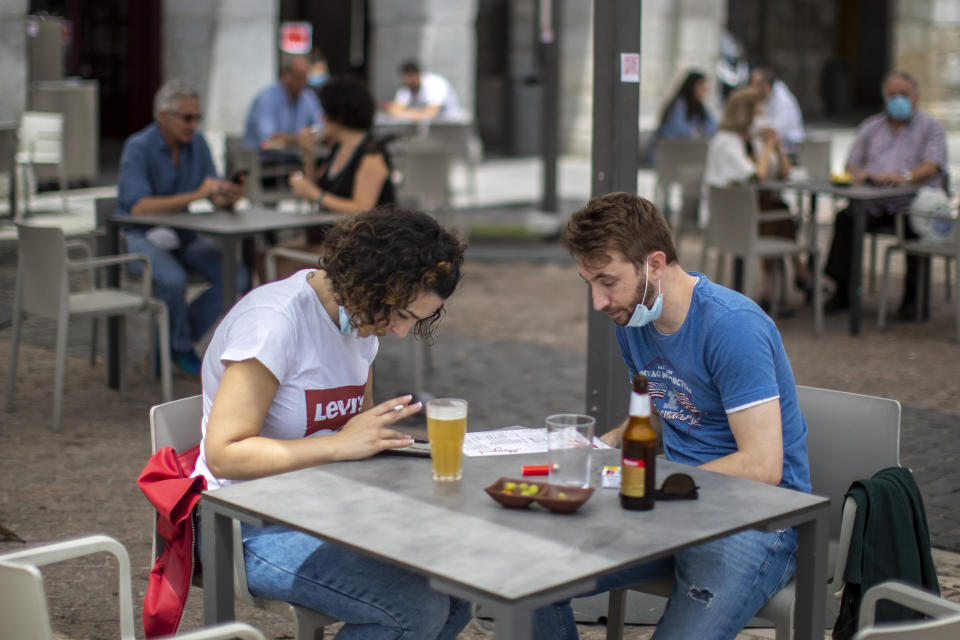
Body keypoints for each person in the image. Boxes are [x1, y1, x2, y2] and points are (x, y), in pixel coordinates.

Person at [533, 192, 811, 640]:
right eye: (589, 283)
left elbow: (763, 465)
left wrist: (648, 487)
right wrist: (598, 447)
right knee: (532, 577)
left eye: (607, 281)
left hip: (757, 520)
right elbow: (668, 409)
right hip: (674, 507)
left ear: (654, 264)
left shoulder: (733, 326)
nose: (599, 302)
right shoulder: (635, 318)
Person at [192, 206, 472, 639]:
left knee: (460, 587)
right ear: (373, 281)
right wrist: (340, 445)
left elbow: (356, 430)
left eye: (413, 320)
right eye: (401, 314)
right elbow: (225, 453)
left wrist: (388, 441)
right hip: (244, 523)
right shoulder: (273, 323)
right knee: (412, 609)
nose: (399, 333)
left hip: (324, 507)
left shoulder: (360, 321)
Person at [116, 78, 248, 375]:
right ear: (164, 116)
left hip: (181, 234)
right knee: (172, 280)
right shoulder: (138, 147)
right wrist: (199, 194)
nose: (193, 125)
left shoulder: (196, 143)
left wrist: (228, 196)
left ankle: (177, 342)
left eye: (197, 118)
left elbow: (211, 193)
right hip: (140, 236)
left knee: (236, 274)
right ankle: (177, 348)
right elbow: (138, 207)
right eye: (187, 118)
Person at [823, 71, 948, 318]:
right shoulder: (871, 127)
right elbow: (852, 164)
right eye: (893, 95)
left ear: (916, 96)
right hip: (874, 203)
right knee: (845, 219)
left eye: (904, 95)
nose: (898, 100)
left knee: (916, 230)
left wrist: (906, 178)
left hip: (911, 203)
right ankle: (843, 289)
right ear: (884, 97)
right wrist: (863, 174)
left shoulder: (930, 127)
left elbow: (933, 164)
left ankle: (912, 298)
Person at [701, 87, 810, 311]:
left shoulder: (752, 140)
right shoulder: (726, 141)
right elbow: (755, 175)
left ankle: (773, 290)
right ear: (746, 112)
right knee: (775, 210)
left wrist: (777, 148)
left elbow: (782, 172)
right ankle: (798, 271)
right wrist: (768, 146)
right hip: (730, 218)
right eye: (759, 110)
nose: (762, 116)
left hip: (752, 213)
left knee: (775, 209)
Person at [278, 76, 396, 279]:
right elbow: (317, 190)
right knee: (267, 257)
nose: (321, 118)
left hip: (367, 246)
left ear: (338, 116)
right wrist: (308, 154)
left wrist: (314, 194)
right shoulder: (339, 148)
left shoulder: (371, 153)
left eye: (324, 112)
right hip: (338, 238)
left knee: (280, 262)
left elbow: (362, 208)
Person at [243, 53, 323, 156]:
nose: (302, 83)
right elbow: (269, 138)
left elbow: (322, 128)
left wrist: (307, 137)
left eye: (305, 78)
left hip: (293, 160)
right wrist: (302, 139)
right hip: (262, 163)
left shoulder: (307, 97)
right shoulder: (267, 98)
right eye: (298, 77)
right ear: (285, 75)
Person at [749, 67, 805, 155]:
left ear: (766, 86)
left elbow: (773, 132)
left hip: (788, 148)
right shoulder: (766, 98)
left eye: (756, 85)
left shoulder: (783, 100)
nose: (752, 89)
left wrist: (759, 115)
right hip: (774, 145)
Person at [383, 60, 461, 121]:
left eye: (410, 80)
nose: (408, 83)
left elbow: (431, 113)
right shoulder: (407, 87)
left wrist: (406, 114)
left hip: (448, 128)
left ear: (417, 75)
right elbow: (397, 108)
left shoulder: (436, 84)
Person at [655, 70, 717, 141]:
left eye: (705, 89)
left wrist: (700, 131)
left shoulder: (700, 107)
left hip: (688, 147)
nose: (704, 92)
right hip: (669, 147)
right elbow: (679, 130)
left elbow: (713, 126)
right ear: (692, 87)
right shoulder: (679, 104)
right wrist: (697, 131)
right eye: (701, 88)